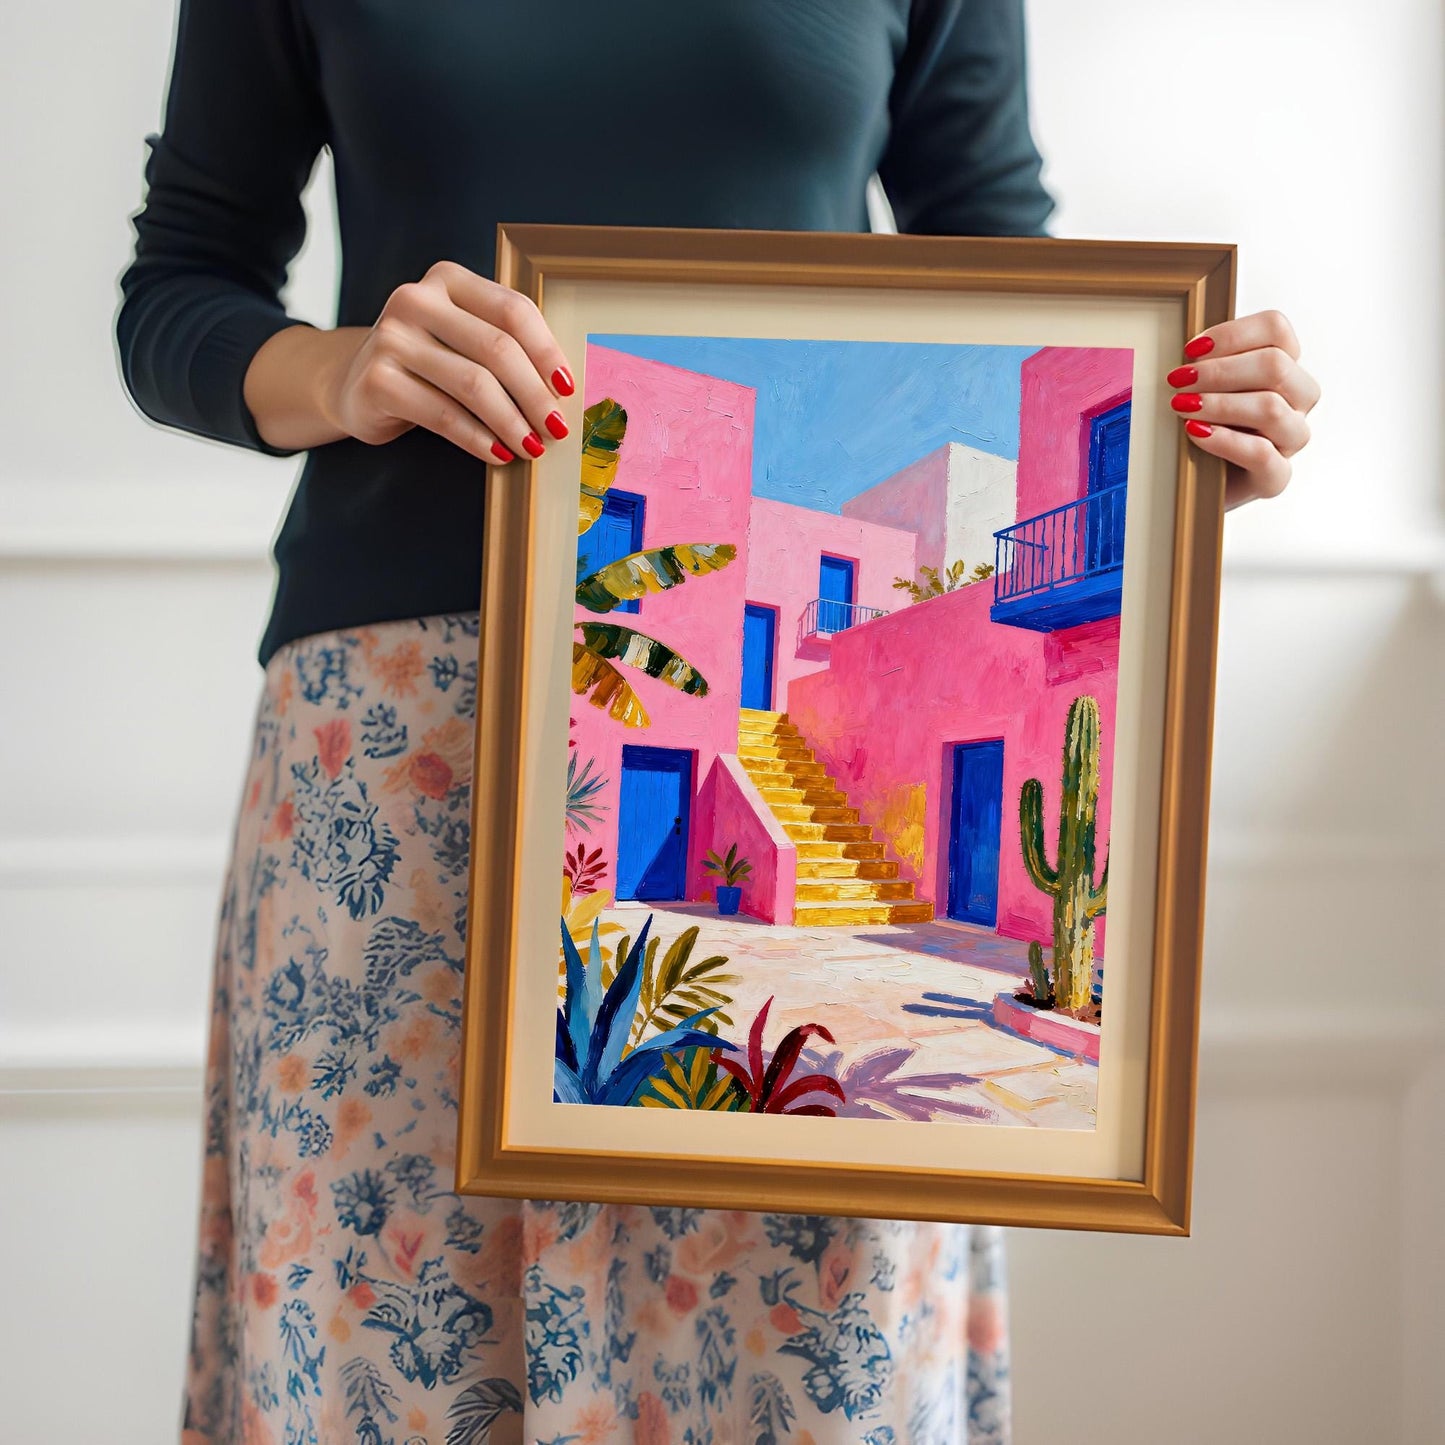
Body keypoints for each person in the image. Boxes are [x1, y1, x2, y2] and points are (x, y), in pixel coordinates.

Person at [114, 3, 1320, 1441]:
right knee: (387, 1346)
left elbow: (997, 253)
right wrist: (340, 369)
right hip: (397, 741)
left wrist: (1179, 429)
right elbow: (179, 285)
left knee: (810, 1369)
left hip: (552, 800)